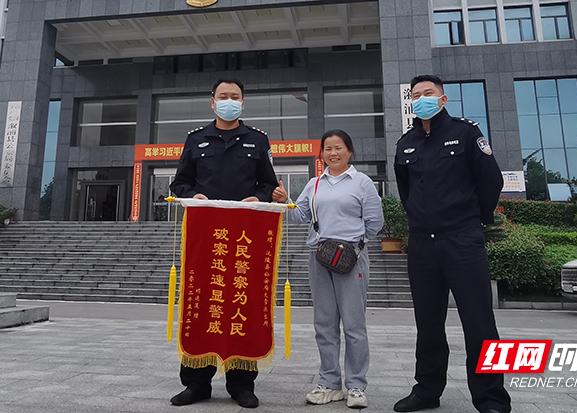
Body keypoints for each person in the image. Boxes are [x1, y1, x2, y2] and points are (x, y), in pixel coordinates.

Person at [392, 75, 511, 413]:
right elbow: (406, 191)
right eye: (416, 95)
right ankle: (427, 390)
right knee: (428, 322)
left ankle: (491, 398)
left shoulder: (466, 132)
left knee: (478, 321)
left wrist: (473, 218)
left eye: (428, 93)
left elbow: (491, 181)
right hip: (423, 245)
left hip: (462, 239)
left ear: (443, 99)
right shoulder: (406, 142)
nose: (421, 99)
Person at [169, 78, 279, 409]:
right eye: (223, 96)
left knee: (241, 302)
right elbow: (179, 183)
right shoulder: (196, 139)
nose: (229, 101)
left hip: (245, 239)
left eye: (235, 96)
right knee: (203, 300)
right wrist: (193, 195)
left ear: (243, 102)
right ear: (212, 102)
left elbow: (268, 184)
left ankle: (241, 384)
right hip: (205, 238)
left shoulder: (257, 140)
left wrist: (258, 196)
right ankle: (196, 382)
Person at [272, 129, 384, 409]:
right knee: (324, 324)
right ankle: (330, 383)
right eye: (328, 149)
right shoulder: (314, 184)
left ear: (350, 151)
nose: (333, 153)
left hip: (351, 258)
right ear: (321, 153)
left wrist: (354, 244)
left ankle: (356, 386)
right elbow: (300, 216)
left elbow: (375, 222)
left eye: (338, 148)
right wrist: (285, 201)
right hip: (319, 257)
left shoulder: (362, 183)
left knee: (354, 325)